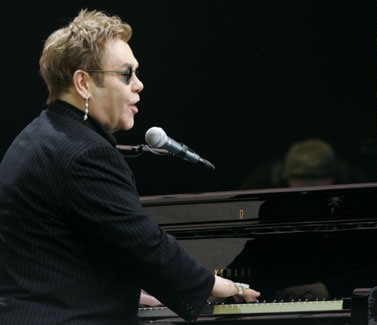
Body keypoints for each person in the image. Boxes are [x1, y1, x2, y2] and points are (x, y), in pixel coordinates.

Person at [0, 9, 259, 325]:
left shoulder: (38, 136)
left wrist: (119, 288)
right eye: (126, 74)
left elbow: (54, 256)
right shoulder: (85, 153)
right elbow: (145, 244)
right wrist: (217, 284)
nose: (139, 85)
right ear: (83, 82)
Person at [241, 138, 339, 190]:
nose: (311, 188)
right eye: (303, 181)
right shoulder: (259, 183)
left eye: (319, 180)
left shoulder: (352, 180)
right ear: (284, 176)